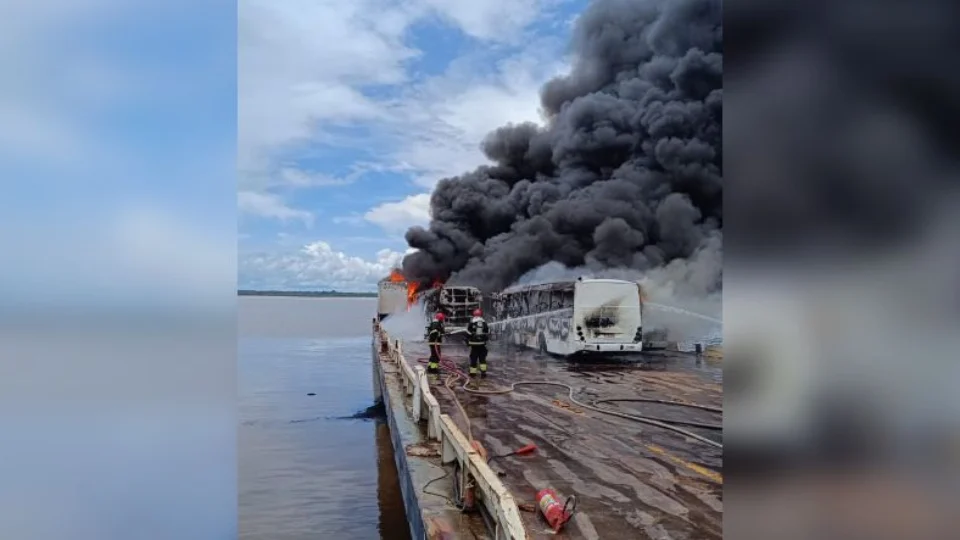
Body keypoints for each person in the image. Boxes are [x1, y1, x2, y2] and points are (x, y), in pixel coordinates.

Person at [466, 308, 489, 377]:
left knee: (473, 359)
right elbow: (487, 332)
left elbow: (468, 332)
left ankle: (473, 374)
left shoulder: (472, 322)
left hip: (474, 345)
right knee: (482, 360)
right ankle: (483, 373)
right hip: (482, 344)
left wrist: (468, 340)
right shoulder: (484, 322)